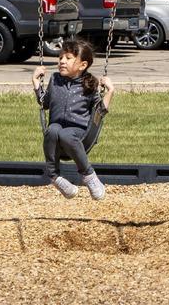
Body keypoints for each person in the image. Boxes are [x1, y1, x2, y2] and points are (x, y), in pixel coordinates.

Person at [32, 39, 113, 200]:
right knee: (52, 130)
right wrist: (36, 83)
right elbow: (44, 103)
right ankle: (55, 177)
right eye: (60, 57)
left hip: (80, 134)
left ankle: (89, 176)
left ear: (82, 65)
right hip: (57, 132)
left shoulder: (89, 84)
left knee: (67, 134)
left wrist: (110, 91)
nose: (62, 61)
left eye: (68, 58)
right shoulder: (55, 80)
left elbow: (99, 111)